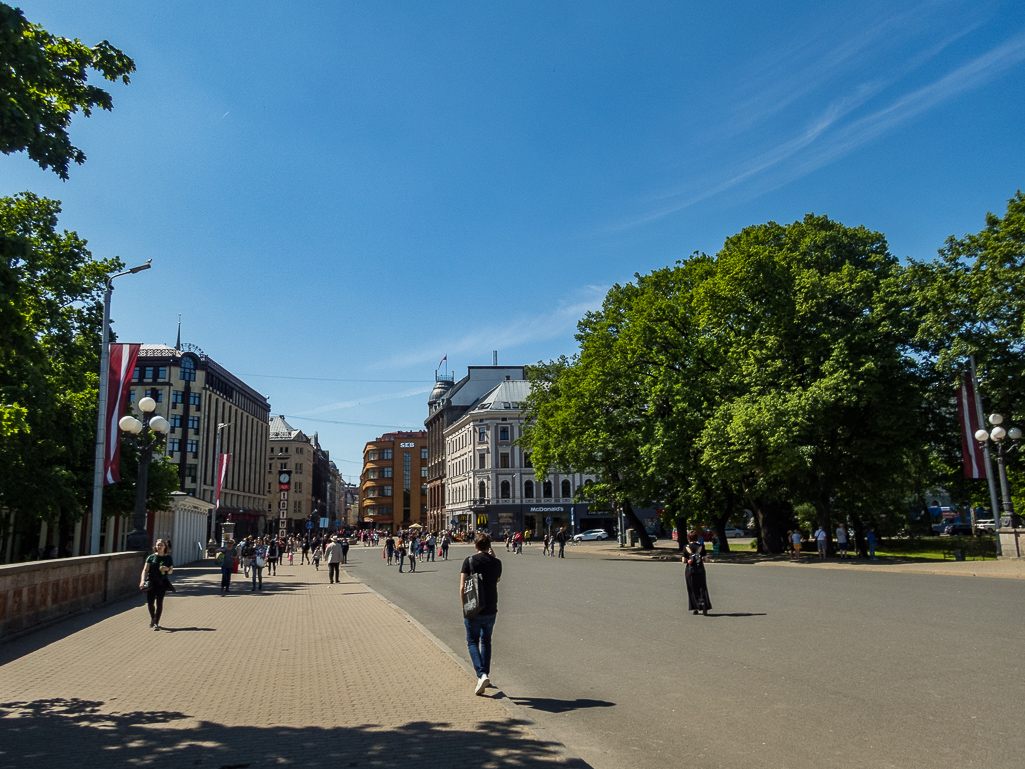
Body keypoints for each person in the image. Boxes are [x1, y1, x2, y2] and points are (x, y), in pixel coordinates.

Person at [460, 532, 503, 695]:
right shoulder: (497, 563)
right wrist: (494, 558)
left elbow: (463, 587)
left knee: (472, 641)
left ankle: (481, 674)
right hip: (491, 606)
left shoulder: (469, 561)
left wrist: (464, 607)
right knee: (486, 641)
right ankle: (485, 674)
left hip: (474, 606)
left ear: (476, 546)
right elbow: (497, 580)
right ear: (489, 546)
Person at [140, 539, 173, 629]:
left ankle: (156, 622)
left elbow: (171, 571)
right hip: (151, 582)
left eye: (161, 545)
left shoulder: (168, 558)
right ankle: (153, 617)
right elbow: (145, 570)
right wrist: (142, 581)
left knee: (159, 602)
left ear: (165, 547)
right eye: (158, 545)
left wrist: (166, 569)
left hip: (162, 582)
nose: (159, 547)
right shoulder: (151, 557)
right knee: (150, 603)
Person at [682, 531, 711, 616]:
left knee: (692, 588)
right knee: (702, 587)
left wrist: (689, 560)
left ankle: (695, 607)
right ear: (697, 538)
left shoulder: (686, 547)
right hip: (700, 570)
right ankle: (703, 602)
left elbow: (684, 561)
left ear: (688, 538)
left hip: (690, 570)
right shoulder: (701, 546)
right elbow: (706, 559)